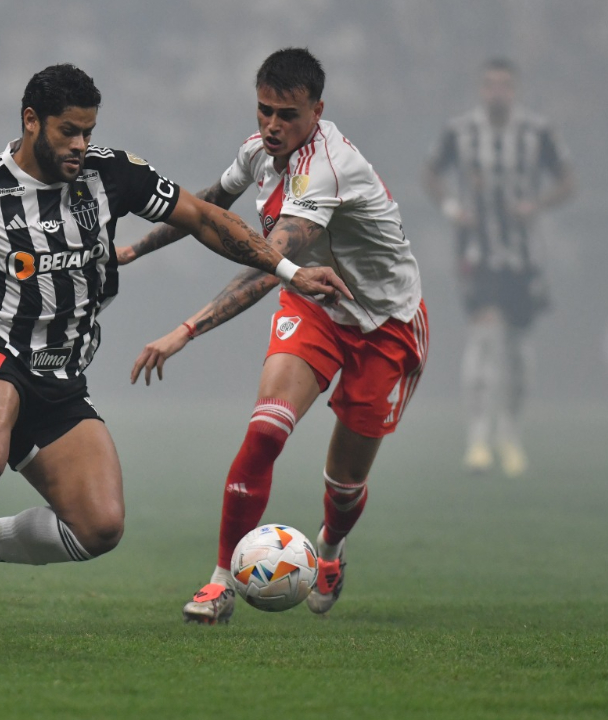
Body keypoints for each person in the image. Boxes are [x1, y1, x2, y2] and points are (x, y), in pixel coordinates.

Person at [0, 63, 350, 630]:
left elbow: (203, 218)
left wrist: (288, 270)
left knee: (98, 527)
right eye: (68, 131)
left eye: (88, 131)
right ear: (30, 121)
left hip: (62, 375)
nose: (80, 144)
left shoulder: (111, 173)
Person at [118, 48, 428, 625]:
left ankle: (330, 550)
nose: (272, 126)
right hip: (314, 303)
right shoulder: (258, 151)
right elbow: (206, 209)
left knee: (344, 484)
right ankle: (218, 584)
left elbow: (268, 262)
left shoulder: (327, 168)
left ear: (318, 110)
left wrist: (185, 330)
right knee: (265, 431)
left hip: (385, 324)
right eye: (264, 111)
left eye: (287, 114)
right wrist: (132, 250)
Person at [422, 57, 573, 477]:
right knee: (485, 335)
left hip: (525, 257)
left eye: (505, 85)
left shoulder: (537, 132)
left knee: (519, 349)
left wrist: (537, 204)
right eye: (490, 85)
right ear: (480, 89)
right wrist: (452, 206)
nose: (497, 93)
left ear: (516, 89)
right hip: (478, 253)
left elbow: (567, 180)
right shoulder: (460, 131)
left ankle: (510, 431)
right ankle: (477, 438)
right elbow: (431, 173)